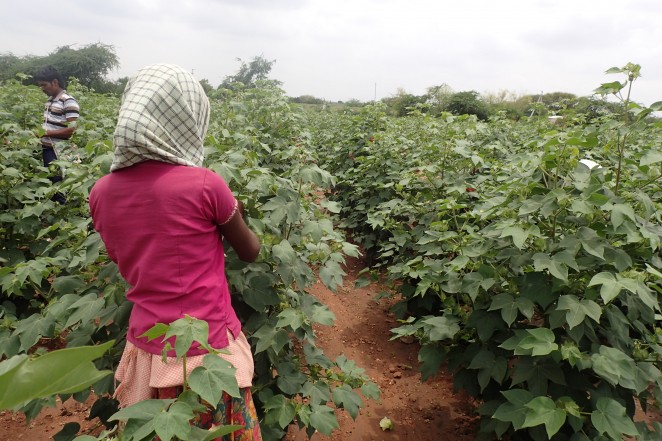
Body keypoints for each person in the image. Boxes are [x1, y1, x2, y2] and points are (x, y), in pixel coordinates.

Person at [89, 64, 262, 440]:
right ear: (189, 118)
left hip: (149, 348)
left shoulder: (101, 192)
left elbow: (123, 259)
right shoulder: (206, 185)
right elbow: (250, 250)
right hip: (208, 349)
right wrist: (237, 214)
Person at [35, 65, 79, 204]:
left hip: (60, 151)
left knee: (61, 184)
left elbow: (71, 131)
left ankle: (64, 216)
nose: (42, 88)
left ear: (55, 82)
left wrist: (45, 133)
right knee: (52, 183)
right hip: (48, 149)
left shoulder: (68, 101)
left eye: (44, 85)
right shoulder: (50, 101)